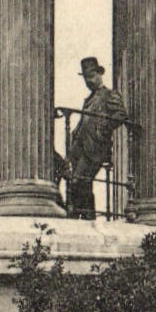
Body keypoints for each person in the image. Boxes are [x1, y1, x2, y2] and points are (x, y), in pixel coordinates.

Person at [66, 56, 128, 221]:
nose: (89, 80)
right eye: (86, 77)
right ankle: (86, 217)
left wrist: (103, 129)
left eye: (92, 76)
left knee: (80, 181)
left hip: (96, 148)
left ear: (100, 74)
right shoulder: (89, 99)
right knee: (80, 183)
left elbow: (120, 114)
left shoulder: (109, 95)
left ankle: (83, 217)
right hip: (82, 149)